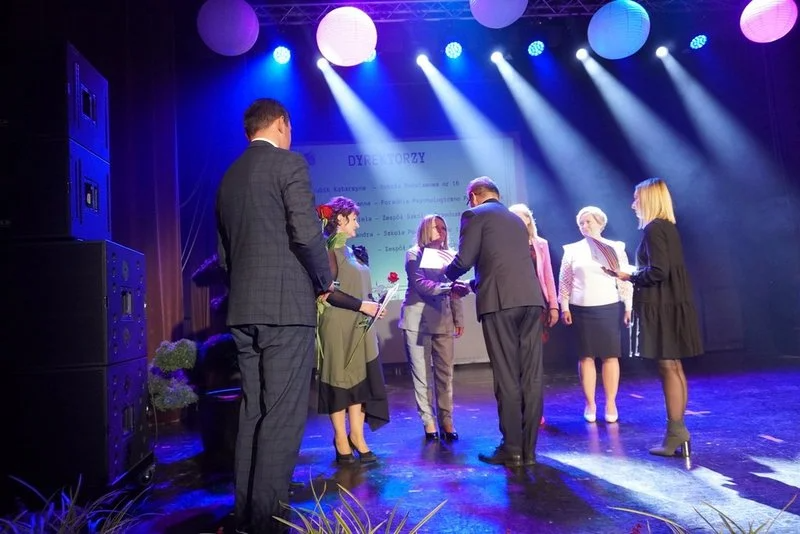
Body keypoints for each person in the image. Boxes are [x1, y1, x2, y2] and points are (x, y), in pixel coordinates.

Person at [215, 98, 335, 534]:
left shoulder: (229, 177)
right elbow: (305, 234)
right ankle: (268, 523)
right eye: (291, 127)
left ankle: (247, 515)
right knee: (282, 418)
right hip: (285, 309)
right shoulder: (289, 164)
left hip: (244, 310)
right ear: (282, 124)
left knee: (254, 413)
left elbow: (224, 256)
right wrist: (324, 279)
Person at [443, 177, 545, 468]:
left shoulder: (474, 214)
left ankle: (512, 449)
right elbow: (502, 264)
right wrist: (473, 285)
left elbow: (464, 261)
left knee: (507, 375)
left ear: (474, 196)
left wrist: (443, 275)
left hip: (500, 304)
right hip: (530, 300)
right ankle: (529, 451)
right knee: (531, 376)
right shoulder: (516, 219)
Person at [604, 178, 703, 458]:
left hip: (662, 306)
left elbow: (658, 271)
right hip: (671, 303)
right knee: (674, 366)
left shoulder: (653, 228)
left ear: (648, 199)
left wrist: (629, 275)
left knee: (668, 367)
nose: (633, 204)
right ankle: (677, 431)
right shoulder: (666, 227)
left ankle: (676, 432)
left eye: (636, 198)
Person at [316, 196, 390, 465]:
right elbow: (327, 292)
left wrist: (374, 306)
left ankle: (357, 437)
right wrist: (363, 306)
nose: (357, 224)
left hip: (359, 325)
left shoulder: (350, 251)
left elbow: (358, 288)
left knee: (359, 383)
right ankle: (340, 440)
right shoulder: (328, 250)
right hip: (338, 325)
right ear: (340, 219)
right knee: (339, 382)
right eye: (354, 219)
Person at [558, 206, 633, 424]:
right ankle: (590, 403)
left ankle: (610, 402)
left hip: (608, 306)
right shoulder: (572, 250)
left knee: (610, 355)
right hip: (581, 308)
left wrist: (628, 306)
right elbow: (565, 281)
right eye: (581, 223)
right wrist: (564, 307)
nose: (585, 226)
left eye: (589, 221)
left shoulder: (615, 247)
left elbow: (624, 279)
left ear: (600, 223)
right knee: (586, 356)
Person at [399, 215, 464, 442]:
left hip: (443, 319)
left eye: (444, 228)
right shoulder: (414, 254)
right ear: (425, 230)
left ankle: (447, 420)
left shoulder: (450, 255)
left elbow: (455, 290)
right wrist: (449, 287)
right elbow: (421, 285)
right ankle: (428, 421)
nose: (441, 231)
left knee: (445, 374)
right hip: (417, 320)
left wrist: (458, 318)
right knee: (422, 375)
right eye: (436, 227)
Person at [508, 203, 559, 427]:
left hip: (537, 305)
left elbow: (548, 276)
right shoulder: (505, 244)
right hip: (512, 305)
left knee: (533, 361)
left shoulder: (540, 244)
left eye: (522, 217)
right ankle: (518, 409)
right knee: (515, 360)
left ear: (529, 220)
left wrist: (554, 305)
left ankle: (534, 411)